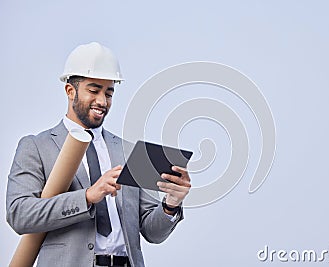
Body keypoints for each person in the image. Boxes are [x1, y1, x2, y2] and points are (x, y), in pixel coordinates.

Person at [6, 42, 191, 267]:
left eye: (109, 93)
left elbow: (153, 233)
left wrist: (171, 204)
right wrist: (87, 196)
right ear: (70, 91)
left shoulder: (127, 150)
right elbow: (19, 214)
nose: (102, 101)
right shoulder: (36, 146)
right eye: (94, 91)